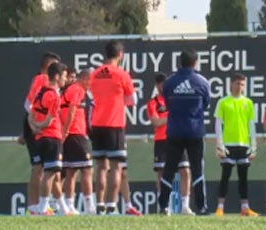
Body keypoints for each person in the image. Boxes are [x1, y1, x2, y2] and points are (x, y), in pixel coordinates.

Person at [89, 40, 141, 215]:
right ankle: (112, 205)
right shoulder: (122, 74)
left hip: (97, 124)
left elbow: (93, 96)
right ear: (120, 55)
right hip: (114, 124)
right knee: (116, 167)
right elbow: (133, 100)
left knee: (101, 167)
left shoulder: (95, 74)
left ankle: (99, 204)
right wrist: (121, 101)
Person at [158, 49, 211, 216]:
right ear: (195, 63)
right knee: (197, 169)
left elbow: (166, 102)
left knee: (169, 169)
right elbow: (206, 104)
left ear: (180, 62)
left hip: (174, 131)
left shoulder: (169, 82)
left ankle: (163, 206)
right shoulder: (202, 82)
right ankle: (201, 207)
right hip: (195, 132)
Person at [19, 52, 61, 214]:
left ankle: (42, 205)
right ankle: (34, 205)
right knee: (39, 168)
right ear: (48, 66)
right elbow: (29, 104)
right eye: (55, 65)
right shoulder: (42, 80)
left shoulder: (50, 84)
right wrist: (36, 124)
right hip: (39, 128)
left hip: (41, 127)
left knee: (45, 169)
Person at [146, 73, 191, 215]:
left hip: (178, 138)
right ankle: (165, 205)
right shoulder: (153, 103)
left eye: (165, 83)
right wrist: (173, 116)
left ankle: (185, 206)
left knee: (185, 171)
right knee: (162, 173)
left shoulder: (177, 100)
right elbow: (156, 122)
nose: (162, 86)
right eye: (160, 84)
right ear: (157, 85)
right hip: (162, 141)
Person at [214, 74, 258, 217]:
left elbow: (251, 125)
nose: (240, 87)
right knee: (225, 176)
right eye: (238, 83)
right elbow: (218, 124)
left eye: (242, 84)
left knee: (243, 177)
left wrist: (253, 146)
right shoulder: (223, 102)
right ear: (231, 84)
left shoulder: (248, 103)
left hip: (243, 144)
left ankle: (245, 208)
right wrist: (220, 144)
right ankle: (220, 207)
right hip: (228, 145)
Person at [27, 62, 67, 215]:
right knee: (50, 173)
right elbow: (50, 120)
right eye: (63, 76)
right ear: (56, 77)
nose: (65, 80)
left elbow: (31, 114)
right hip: (52, 137)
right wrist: (42, 126)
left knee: (49, 172)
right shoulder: (55, 95)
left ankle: (62, 208)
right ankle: (43, 206)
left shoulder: (41, 92)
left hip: (40, 138)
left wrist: (35, 127)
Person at [60, 68, 95, 215]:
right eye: (91, 80)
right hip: (76, 134)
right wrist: (66, 130)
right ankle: (89, 206)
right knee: (87, 170)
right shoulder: (78, 89)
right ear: (85, 79)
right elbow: (72, 110)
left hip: (73, 134)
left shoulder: (73, 89)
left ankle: (69, 205)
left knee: (71, 172)